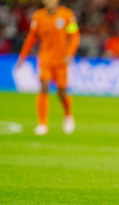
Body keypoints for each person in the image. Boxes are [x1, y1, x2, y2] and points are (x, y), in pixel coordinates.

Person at [16, 0, 80, 135]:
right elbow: (32, 37)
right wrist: (23, 57)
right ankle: (42, 123)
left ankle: (68, 114)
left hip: (61, 61)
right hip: (45, 59)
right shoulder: (38, 17)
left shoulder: (67, 15)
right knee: (44, 86)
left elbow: (74, 36)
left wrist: (69, 53)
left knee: (61, 93)